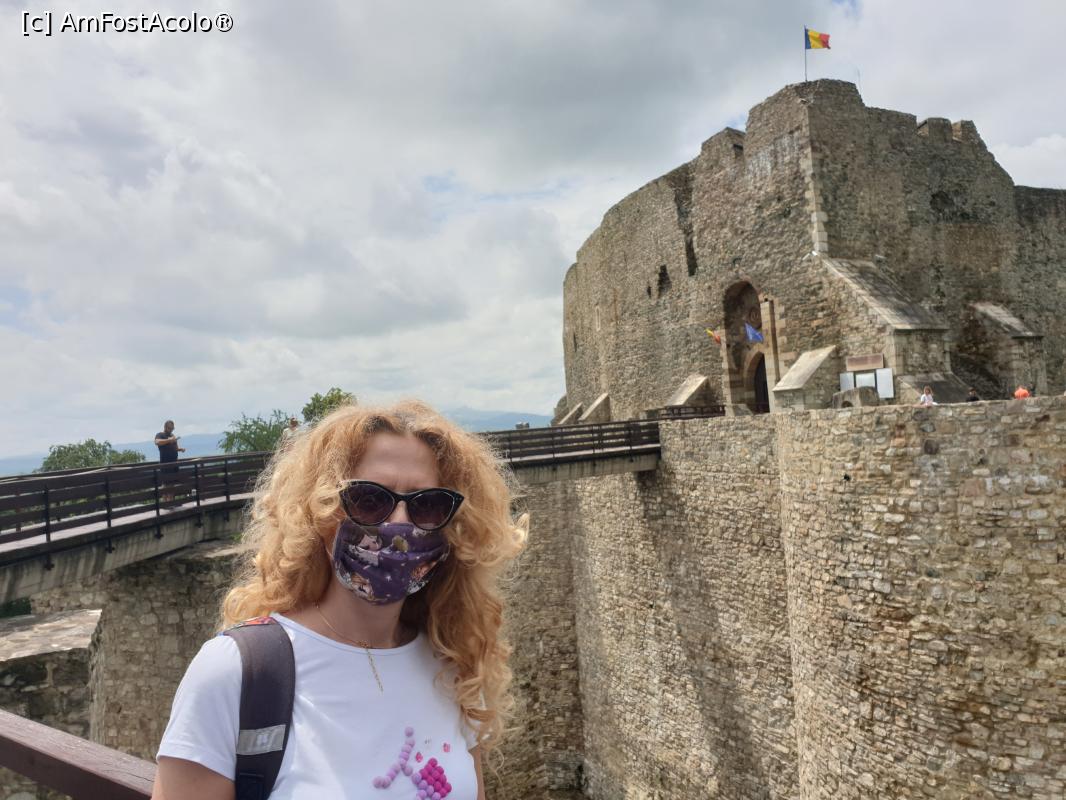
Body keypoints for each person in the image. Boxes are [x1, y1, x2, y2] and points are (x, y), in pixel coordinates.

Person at [152, 401, 526, 800]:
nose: (399, 523)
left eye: (427, 505)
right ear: (321, 513)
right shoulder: (235, 673)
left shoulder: (453, 667)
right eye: (369, 500)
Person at [154, 420, 185, 502]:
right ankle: (165, 503)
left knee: (172, 485)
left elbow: (175, 448)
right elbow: (157, 442)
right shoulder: (160, 434)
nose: (171, 430)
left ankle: (171, 502)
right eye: (169, 428)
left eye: (172, 428)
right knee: (165, 485)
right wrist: (169, 440)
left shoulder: (172, 435)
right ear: (165, 427)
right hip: (165, 464)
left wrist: (180, 449)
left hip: (174, 463)